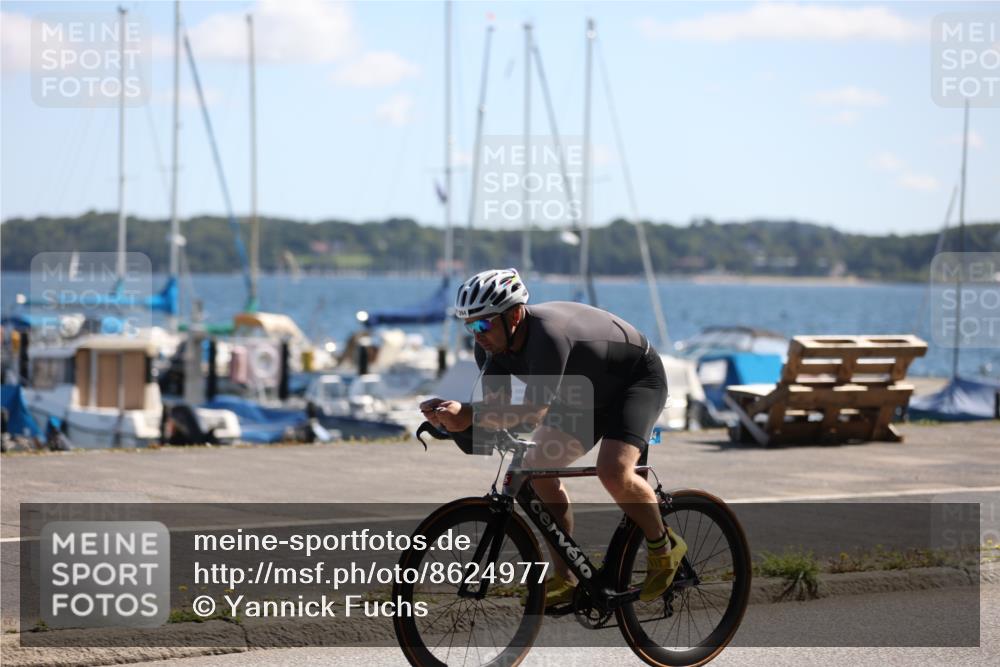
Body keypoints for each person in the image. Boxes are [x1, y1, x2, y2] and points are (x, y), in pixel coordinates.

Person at [420, 268, 685, 608]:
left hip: (635, 382)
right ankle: (567, 577)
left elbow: (533, 410)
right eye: (470, 325)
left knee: (614, 470)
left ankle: (664, 547)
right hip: (583, 396)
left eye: (484, 324)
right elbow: (498, 411)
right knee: (537, 470)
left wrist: (468, 414)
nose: (477, 334)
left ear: (514, 314)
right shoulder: (488, 348)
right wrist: (452, 424)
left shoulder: (548, 336)